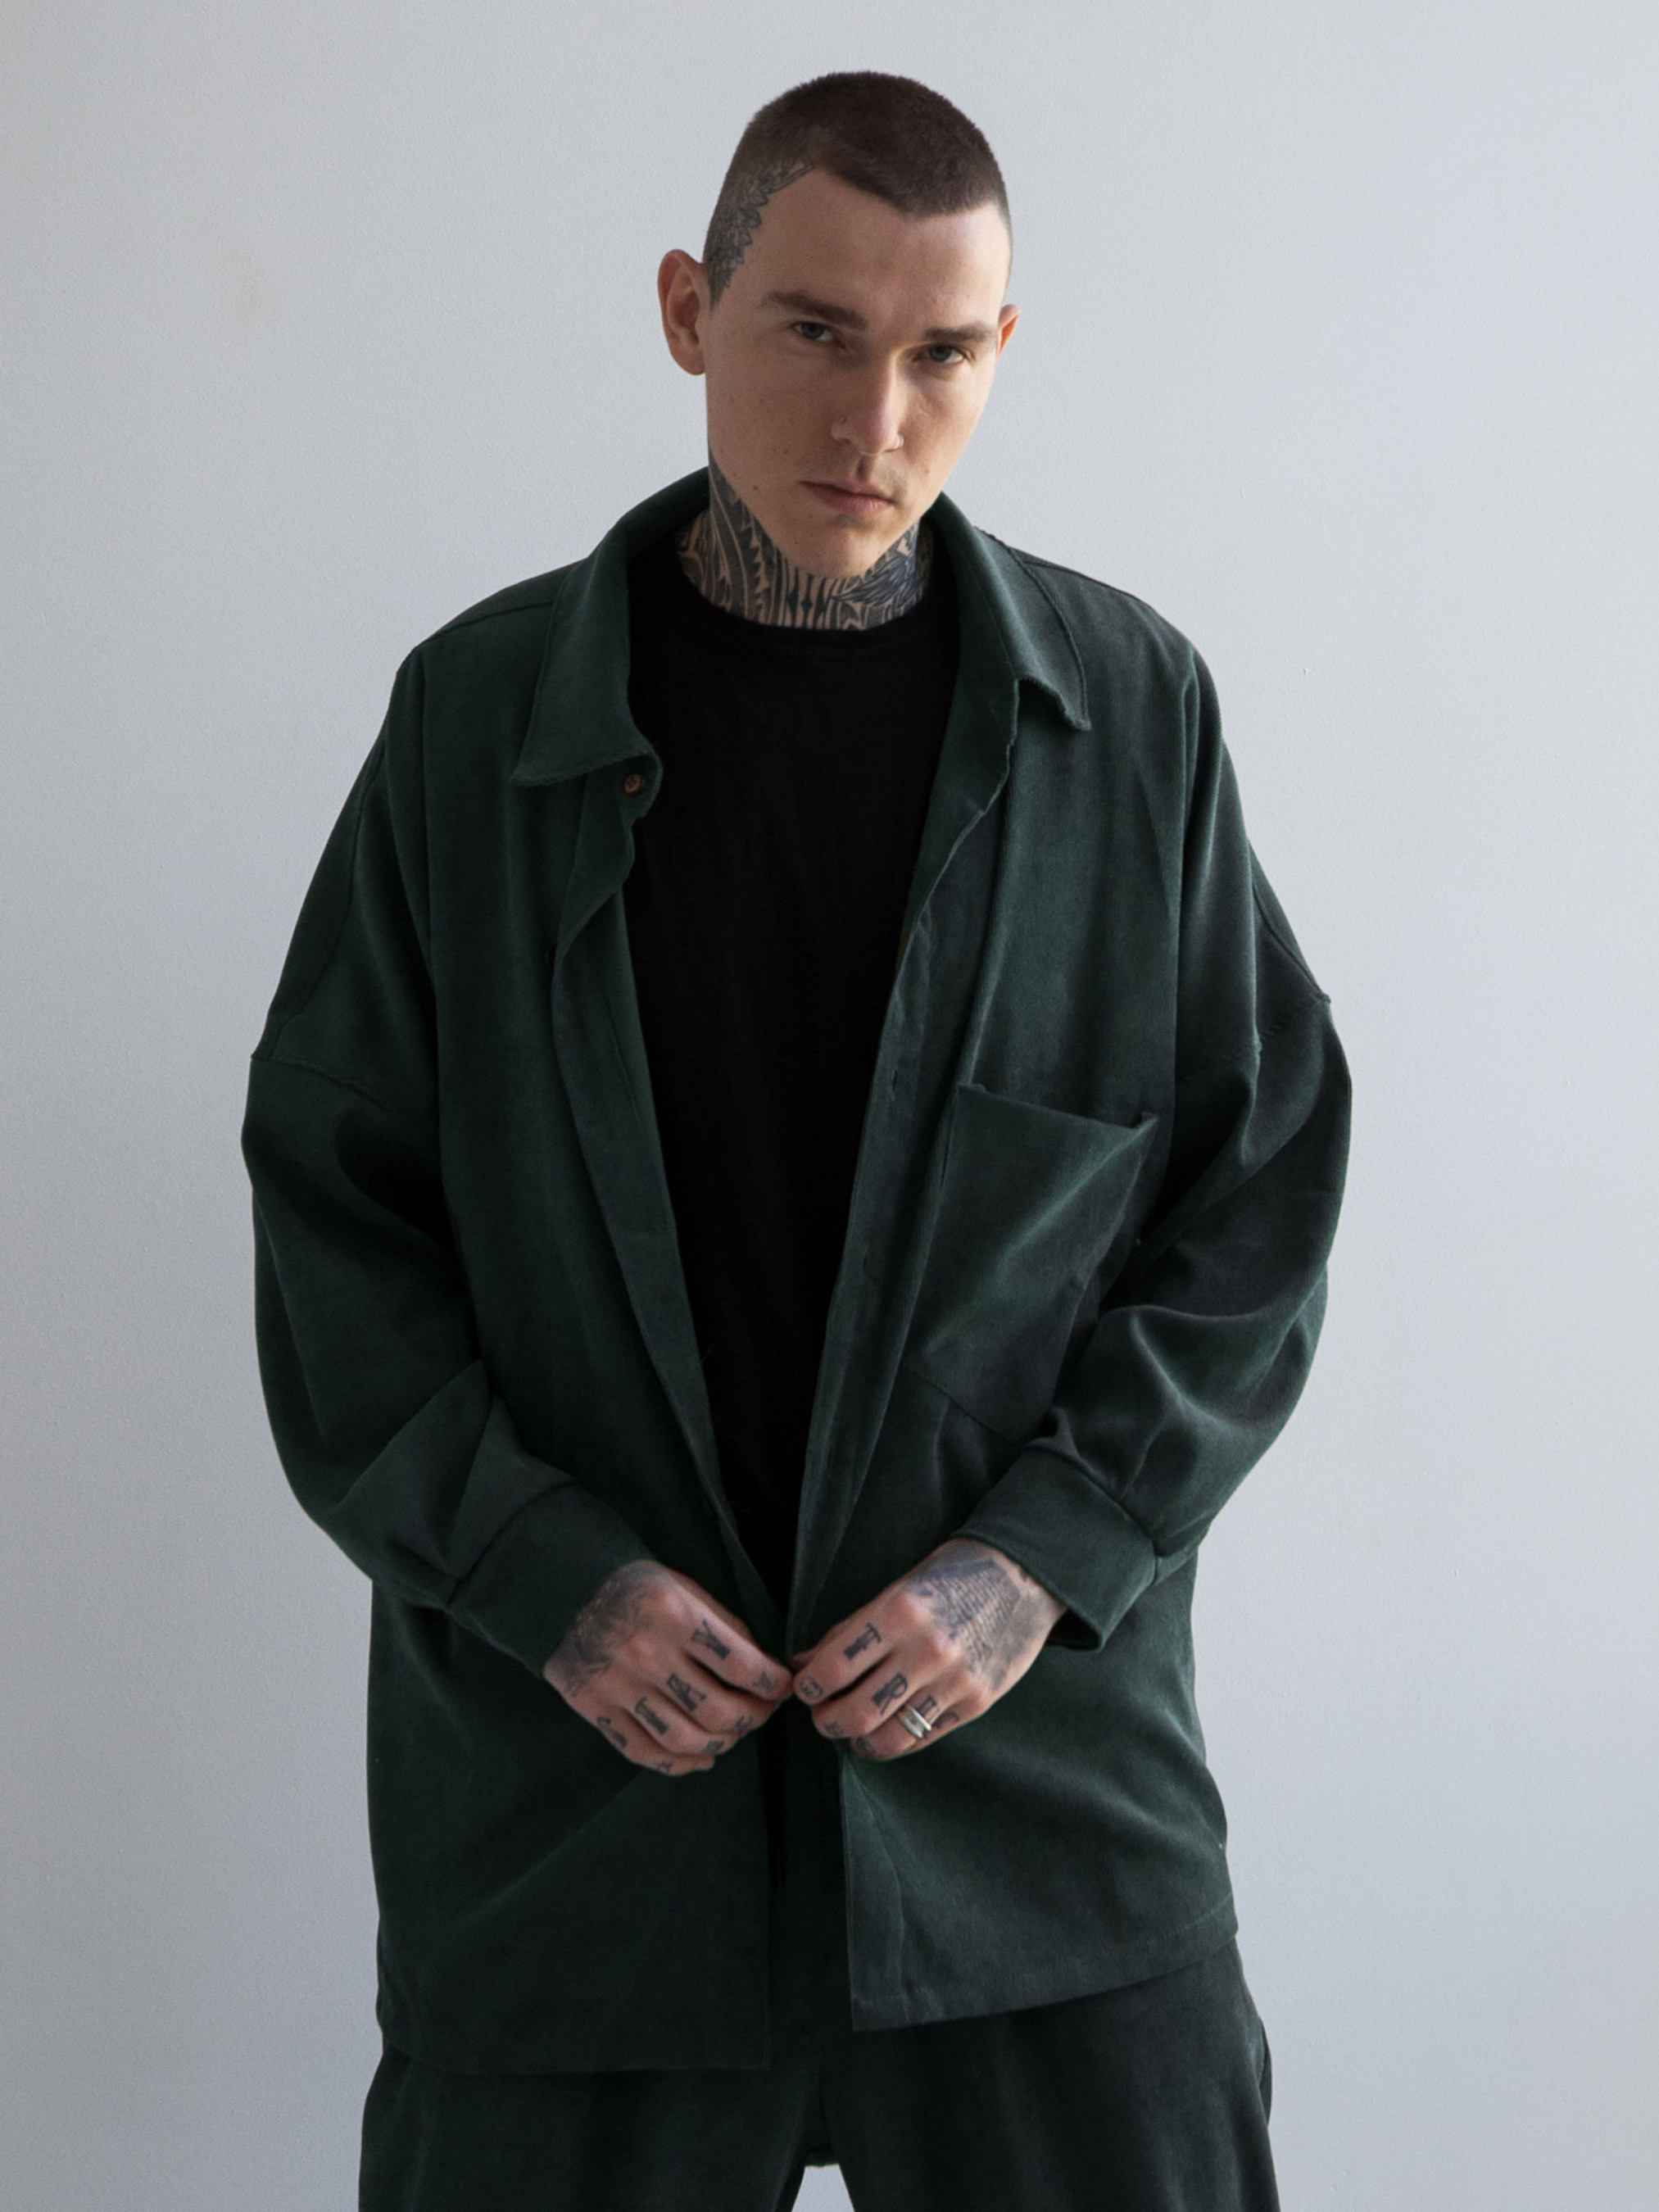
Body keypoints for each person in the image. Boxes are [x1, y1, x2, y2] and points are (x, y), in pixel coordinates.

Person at [243, 69, 1349, 2212]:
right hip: (582, 1827)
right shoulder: (477, 725)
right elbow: (337, 1218)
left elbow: (1256, 1191)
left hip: (1039, 1826)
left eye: (942, 354)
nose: (875, 418)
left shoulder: (1130, 716)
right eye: (814, 331)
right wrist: (540, 1575)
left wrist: (1040, 1559)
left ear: (1002, 351)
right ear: (689, 309)